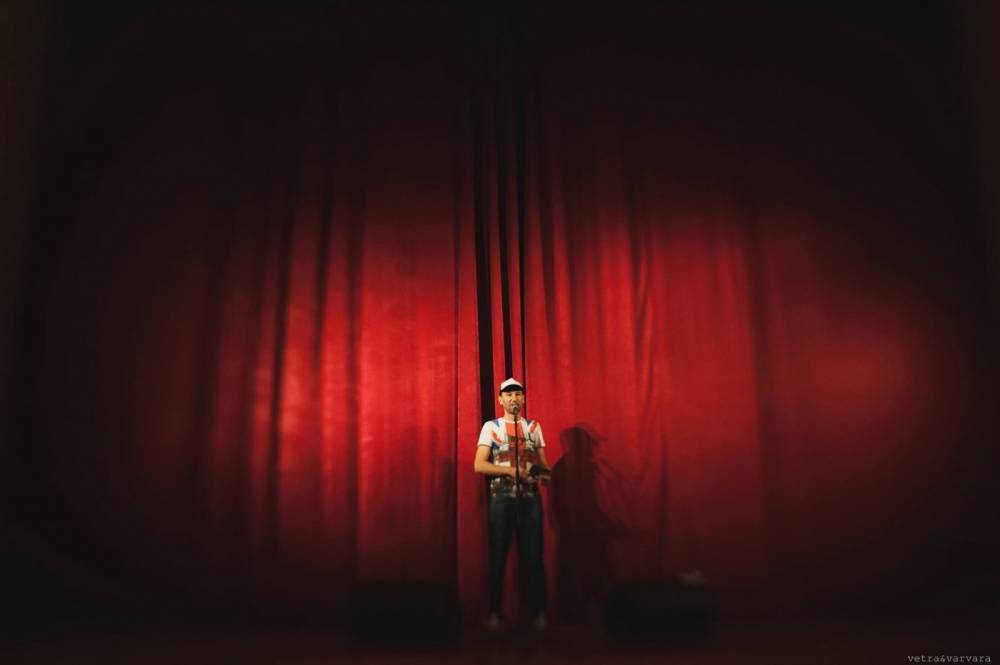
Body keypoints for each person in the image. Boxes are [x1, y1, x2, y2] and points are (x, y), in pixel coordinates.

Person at [474, 378, 550, 632]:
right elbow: (479, 464)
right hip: (502, 499)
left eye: (517, 394)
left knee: (534, 557)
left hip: (530, 499)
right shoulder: (491, 427)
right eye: (508, 395)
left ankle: (538, 613)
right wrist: (510, 472)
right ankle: (495, 612)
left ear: (523, 398)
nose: (513, 398)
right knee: (498, 556)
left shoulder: (533, 427)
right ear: (500, 399)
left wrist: (544, 475)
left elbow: (544, 467)